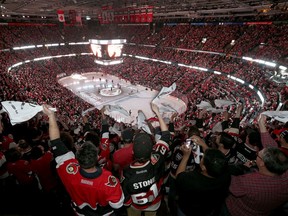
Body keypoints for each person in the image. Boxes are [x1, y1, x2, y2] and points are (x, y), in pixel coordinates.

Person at [42, 104, 124, 216]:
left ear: (77, 157)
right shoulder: (108, 179)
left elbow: (55, 141)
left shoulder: (68, 169)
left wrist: (51, 116)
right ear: (96, 156)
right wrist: (103, 116)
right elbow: (118, 205)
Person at [222, 114, 288, 216]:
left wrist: (241, 167)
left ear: (262, 163)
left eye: (258, 154)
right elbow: (272, 149)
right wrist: (262, 124)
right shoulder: (285, 178)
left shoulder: (249, 182)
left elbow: (226, 183)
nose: (257, 153)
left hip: (233, 211)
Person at [121, 103, 171, 216]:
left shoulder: (127, 171)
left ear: (133, 152)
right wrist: (157, 113)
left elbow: (125, 197)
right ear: (152, 150)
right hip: (154, 203)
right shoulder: (157, 159)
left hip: (136, 205)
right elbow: (166, 136)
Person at [176, 138, 231, 216]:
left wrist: (186, 156)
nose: (201, 157)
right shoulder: (225, 176)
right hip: (208, 210)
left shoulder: (192, 180)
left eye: (202, 158)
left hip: (187, 211)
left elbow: (179, 176)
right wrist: (204, 145)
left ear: (204, 167)